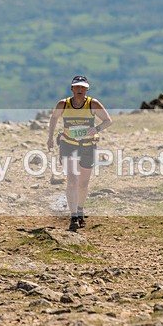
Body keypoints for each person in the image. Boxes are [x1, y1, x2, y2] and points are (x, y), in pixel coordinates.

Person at [47, 75, 113, 231]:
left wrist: (96, 129)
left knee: (83, 184)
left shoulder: (93, 104)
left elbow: (108, 120)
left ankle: (81, 209)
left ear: (87, 89)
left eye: (83, 87)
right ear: (71, 88)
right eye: (77, 87)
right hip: (68, 144)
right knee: (72, 180)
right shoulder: (63, 104)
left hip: (87, 146)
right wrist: (50, 138)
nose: (80, 90)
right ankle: (73, 215)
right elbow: (54, 118)